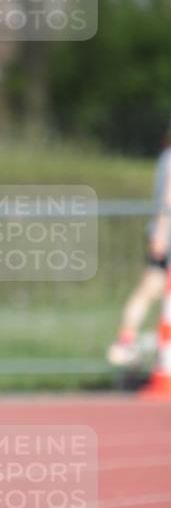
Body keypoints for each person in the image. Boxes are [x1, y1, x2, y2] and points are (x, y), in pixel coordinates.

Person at [107, 134, 171, 366]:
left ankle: (127, 342)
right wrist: (161, 233)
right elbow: (168, 198)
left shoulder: (165, 156)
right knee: (149, 289)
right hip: (166, 235)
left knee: (150, 289)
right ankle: (125, 343)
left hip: (162, 233)